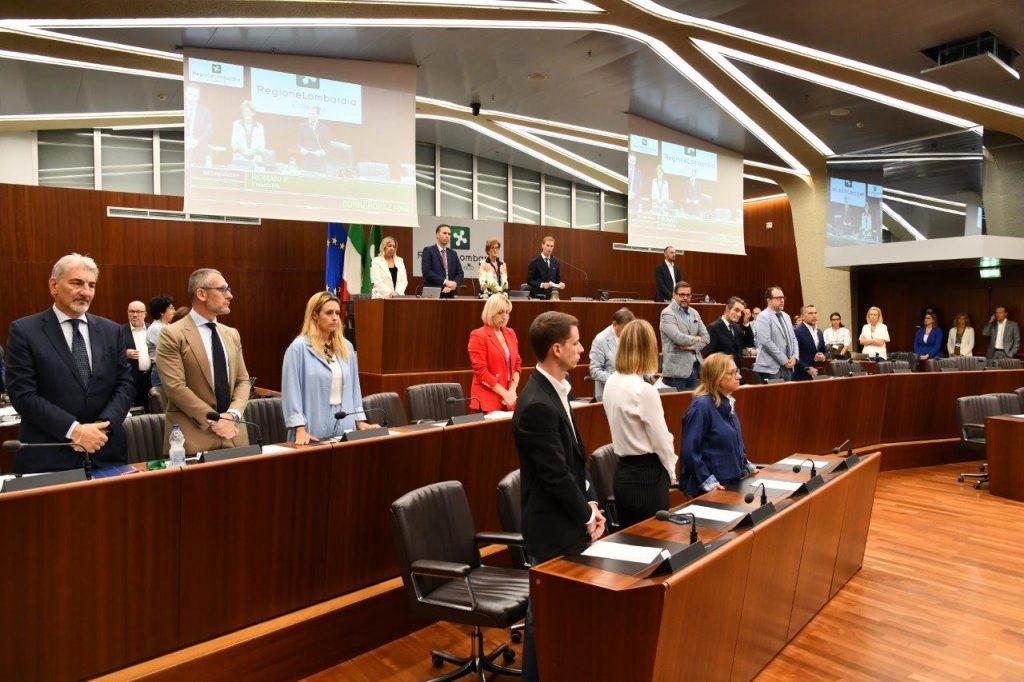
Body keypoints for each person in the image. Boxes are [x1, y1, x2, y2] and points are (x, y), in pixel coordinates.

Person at [512, 311, 604, 682]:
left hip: (570, 519)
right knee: (545, 621)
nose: (582, 349)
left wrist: (591, 503)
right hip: (551, 529)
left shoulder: (559, 390)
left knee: (563, 618)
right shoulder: (537, 403)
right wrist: (587, 514)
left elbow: (576, 461)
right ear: (556, 348)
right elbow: (554, 476)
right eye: (576, 343)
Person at [5, 253, 134, 473]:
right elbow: (23, 394)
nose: (86, 292)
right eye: (77, 283)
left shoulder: (111, 331)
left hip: (106, 451)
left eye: (91, 285)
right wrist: (74, 430)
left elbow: (125, 384)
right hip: (50, 456)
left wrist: (102, 427)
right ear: (53, 285)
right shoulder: (25, 331)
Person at [155, 268, 250, 455]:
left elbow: (243, 381)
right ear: (201, 294)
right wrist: (215, 419)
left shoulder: (232, 334)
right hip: (192, 438)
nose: (229, 295)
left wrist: (232, 415)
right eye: (222, 289)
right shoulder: (172, 334)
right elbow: (175, 387)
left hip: (234, 435)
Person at [601, 319, 677, 527]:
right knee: (655, 539)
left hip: (623, 474)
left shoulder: (611, 382)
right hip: (648, 477)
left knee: (630, 540)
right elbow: (661, 440)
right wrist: (671, 470)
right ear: (648, 349)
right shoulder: (644, 390)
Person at [281, 292, 376, 443]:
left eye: (337, 313)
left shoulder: (346, 347)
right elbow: (291, 392)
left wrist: (359, 420)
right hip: (312, 428)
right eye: (329, 313)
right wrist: (299, 428)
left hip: (345, 423)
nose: (335, 317)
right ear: (315, 315)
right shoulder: (298, 348)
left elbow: (354, 388)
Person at [679, 352, 756, 496]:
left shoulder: (726, 402)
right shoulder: (701, 406)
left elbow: (732, 443)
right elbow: (690, 451)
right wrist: (707, 481)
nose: (739, 376)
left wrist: (745, 464)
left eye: (737, 371)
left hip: (731, 481)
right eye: (732, 373)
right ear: (717, 377)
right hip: (713, 488)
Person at [467, 295, 521, 413]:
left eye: (507, 312)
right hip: (486, 400)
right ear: (491, 312)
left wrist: (512, 390)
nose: (505, 316)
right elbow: (481, 372)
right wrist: (505, 393)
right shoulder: (478, 335)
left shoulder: (511, 333)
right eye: (500, 312)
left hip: (508, 399)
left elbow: (517, 364)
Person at [659, 281, 709, 390]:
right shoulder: (667, 313)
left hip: (695, 369)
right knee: (678, 401)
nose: (685, 298)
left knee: (694, 401)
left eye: (688, 295)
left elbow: (706, 338)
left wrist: (692, 347)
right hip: (676, 373)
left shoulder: (694, 313)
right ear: (674, 295)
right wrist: (696, 339)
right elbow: (678, 337)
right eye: (682, 295)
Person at [752, 286, 800, 382]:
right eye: (778, 298)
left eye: (783, 297)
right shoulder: (763, 316)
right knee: (776, 392)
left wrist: (795, 357)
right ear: (769, 300)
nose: (782, 300)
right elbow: (766, 342)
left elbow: (793, 339)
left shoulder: (786, 316)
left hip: (788, 366)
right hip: (771, 368)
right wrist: (784, 360)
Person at [588, 307, 635, 400]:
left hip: (631, 391)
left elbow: (638, 360)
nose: (628, 332)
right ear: (614, 324)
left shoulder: (632, 335)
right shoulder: (600, 340)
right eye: (625, 328)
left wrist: (649, 376)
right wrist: (618, 381)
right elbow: (595, 371)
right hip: (609, 393)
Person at [705, 296, 753, 384]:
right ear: (727, 309)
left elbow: (749, 344)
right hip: (723, 377)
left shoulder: (737, 327)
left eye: (741, 312)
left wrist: (746, 323)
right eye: (736, 310)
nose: (739, 315)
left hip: (739, 375)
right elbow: (709, 355)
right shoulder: (713, 328)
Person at [420, 224, 464, 298]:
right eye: (444, 233)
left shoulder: (453, 253)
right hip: (433, 293)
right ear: (437, 235)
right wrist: (446, 282)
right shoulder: (428, 251)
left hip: (450, 292)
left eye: (449, 234)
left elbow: (460, 273)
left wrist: (453, 284)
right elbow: (427, 272)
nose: (447, 236)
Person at [123, 300, 152, 410]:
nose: (135, 315)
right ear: (127, 313)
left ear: (145, 314)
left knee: (153, 408)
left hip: (151, 377)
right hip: (131, 379)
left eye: (139, 312)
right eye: (132, 311)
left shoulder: (152, 329)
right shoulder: (119, 331)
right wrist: (124, 354)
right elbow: (109, 353)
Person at [146, 295, 175, 390]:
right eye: (171, 308)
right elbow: (170, 350)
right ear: (162, 312)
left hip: (171, 369)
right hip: (161, 371)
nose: (174, 311)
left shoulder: (169, 326)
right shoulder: (155, 329)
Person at [793, 304, 827, 381]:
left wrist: (823, 357)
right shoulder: (797, 332)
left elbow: (825, 351)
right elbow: (794, 355)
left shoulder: (819, 332)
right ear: (802, 317)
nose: (814, 316)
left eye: (815, 313)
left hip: (818, 374)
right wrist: (806, 368)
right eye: (810, 313)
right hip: (801, 376)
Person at [230, 100, 267, 166]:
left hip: (255, 159)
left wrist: (252, 151)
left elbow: (262, 148)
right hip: (240, 158)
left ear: (253, 113)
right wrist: (243, 150)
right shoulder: (236, 124)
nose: (245, 114)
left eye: (247, 112)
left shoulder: (259, 127)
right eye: (243, 112)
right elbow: (233, 145)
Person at [526, 235, 564, 300]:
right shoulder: (534, 262)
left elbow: (557, 281)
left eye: (551, 246)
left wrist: (561, 284)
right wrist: (542, 285)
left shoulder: (556, 262)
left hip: (551, 297)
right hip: (537, 296)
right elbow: (529, 281)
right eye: (547, 245)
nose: (549, 248)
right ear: (542, 245)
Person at [184, 83, 213, 167]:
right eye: (190, 94)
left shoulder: (205, 111)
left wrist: (197, 141)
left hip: (198, 150)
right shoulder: (179, 107)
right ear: (185, 93)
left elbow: (209, 131)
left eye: (195, 95)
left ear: (199, 96)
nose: (192, 98)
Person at [298, 105, 331, 172]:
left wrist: (322, 152)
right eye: (309, 114)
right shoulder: (302, 126)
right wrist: (301, 149)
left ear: (318, 115)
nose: (310, 116)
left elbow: (328, 147)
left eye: (313, 114)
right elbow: (298, 143)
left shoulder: (324, 129)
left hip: (319, 162)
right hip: (306, 160)